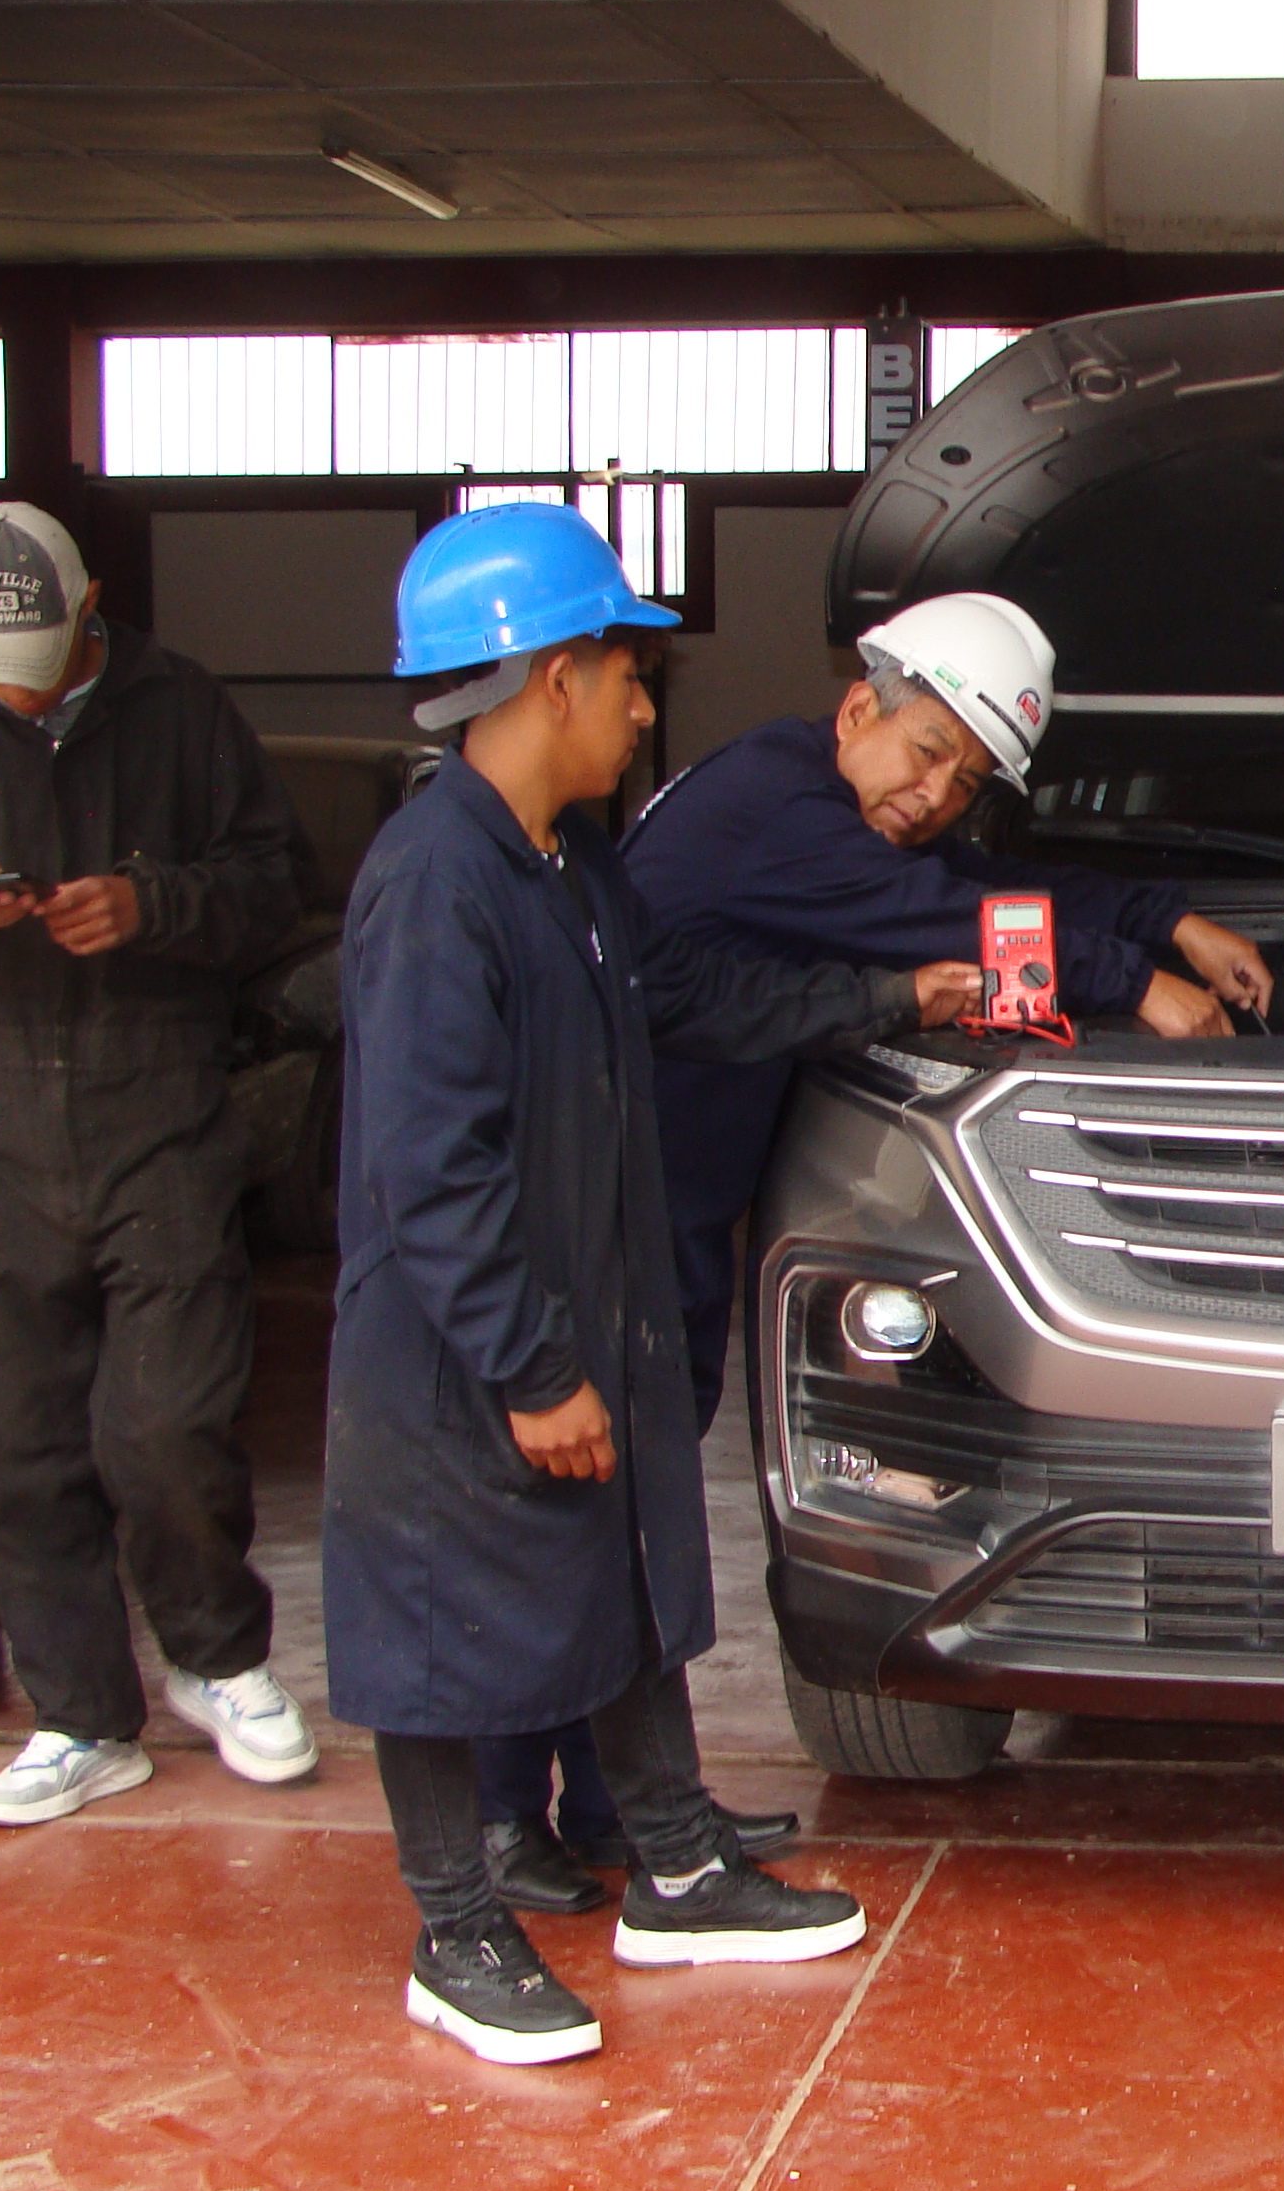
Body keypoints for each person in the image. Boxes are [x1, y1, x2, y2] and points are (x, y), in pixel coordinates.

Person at [322, 503, 984, 2067]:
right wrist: (526, 1364)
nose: (641, 706)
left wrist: (891, 991)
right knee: (444, 1626)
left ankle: (671, 1861)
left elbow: (687, 993)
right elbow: (429, 1160)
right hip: (464, 1348)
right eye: (625, 672)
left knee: (619, 1579)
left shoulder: (563, 865)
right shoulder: (439, 884)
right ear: (552, 677)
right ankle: (458, 1926)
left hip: (573, 1310)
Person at [620, 590, 1275, 1434]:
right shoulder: (780, 813)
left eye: (964, 784)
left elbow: (981, 883)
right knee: (619, 1475)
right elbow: (955, 917)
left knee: (652, 1461)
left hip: (676, 1197)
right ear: (860, 708)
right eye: (926, 753)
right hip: (626, 1217)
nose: (933, 797)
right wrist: (1137, 983)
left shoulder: (810, 784)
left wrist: (1168, 922)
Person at [0, 501, 321, 1824]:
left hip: (158, 1103)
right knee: (7, 1444)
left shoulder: (180, 709)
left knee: (164, 1422)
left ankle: (219, 1660)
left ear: (89, 599)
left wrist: (149, 907)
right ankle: (79, 1716)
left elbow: (277, 884)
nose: (17, 684)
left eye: (43, 649)